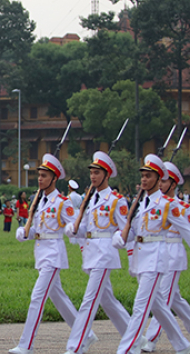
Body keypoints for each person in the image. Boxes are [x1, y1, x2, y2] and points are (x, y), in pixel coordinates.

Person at [10, 153, 92, 354]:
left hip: (53, 254)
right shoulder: (38, 200)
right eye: (39, 175)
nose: (40, 179)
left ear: (54, 179)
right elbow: (36, 229)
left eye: (45, 176)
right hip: (41, 253)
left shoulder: (62, 202)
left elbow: (76, 227)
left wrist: (82, 243)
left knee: (37, 297)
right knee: (59, 298)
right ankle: (86, 334)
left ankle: (26, 345)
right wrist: (23, 233)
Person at [111, 155, 190, 354]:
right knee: (159, 306)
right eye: (143, 176)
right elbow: (135, 232)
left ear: (157, 178)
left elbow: (186, 230)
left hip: (156, 258)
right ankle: (182, 345)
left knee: (140, 305)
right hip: (141, 257)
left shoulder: (167, 204)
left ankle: (127, 348)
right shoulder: (141, 203)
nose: (144, 180)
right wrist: (121, 237)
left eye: (148, 176)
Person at [63, 151, 130, 354]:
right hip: (91, 253)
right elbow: (85, 228)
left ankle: (76, 346)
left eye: (97, 172)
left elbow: (126, 228)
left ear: (106, 175)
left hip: (105, 253)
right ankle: (135, 336)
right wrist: (73, 229)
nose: (93, 176)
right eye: (91, 172)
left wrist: (121, 239)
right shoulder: (89, 199)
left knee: (89, 300)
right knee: (107, 300)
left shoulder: (116, 200)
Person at [142, 161, 190, 352]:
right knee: (174, 299)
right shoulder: (154, 204)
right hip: (158, 253)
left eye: (164, 181)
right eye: (159, 180)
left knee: (162, 297)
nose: (160, 184)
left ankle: (151, 340)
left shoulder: (182, 207)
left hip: (173, 254)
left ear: (173, 183)